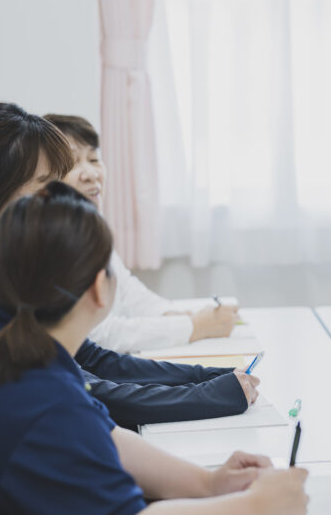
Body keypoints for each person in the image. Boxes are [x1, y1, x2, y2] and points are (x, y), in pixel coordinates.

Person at [0, 182, 309, 515]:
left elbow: (105, 436)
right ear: (101, 290)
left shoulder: (14, 340)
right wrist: (257, 507)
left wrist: (207, 483)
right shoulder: (40, 395)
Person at [0, 102, 254, 427]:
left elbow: (90, 358)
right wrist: (213, 393)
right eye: (46, 188)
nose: (59, 199)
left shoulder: (22, 260)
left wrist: (207, 377)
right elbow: (82, 391)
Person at [45, 114, 237, 354]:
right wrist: (194, 327)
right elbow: (99, 335)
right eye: (73, 163)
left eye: (94, 159)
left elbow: (129, 292)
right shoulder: (50, 241)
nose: (91, 173)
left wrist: (177, 316)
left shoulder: (90, 228)